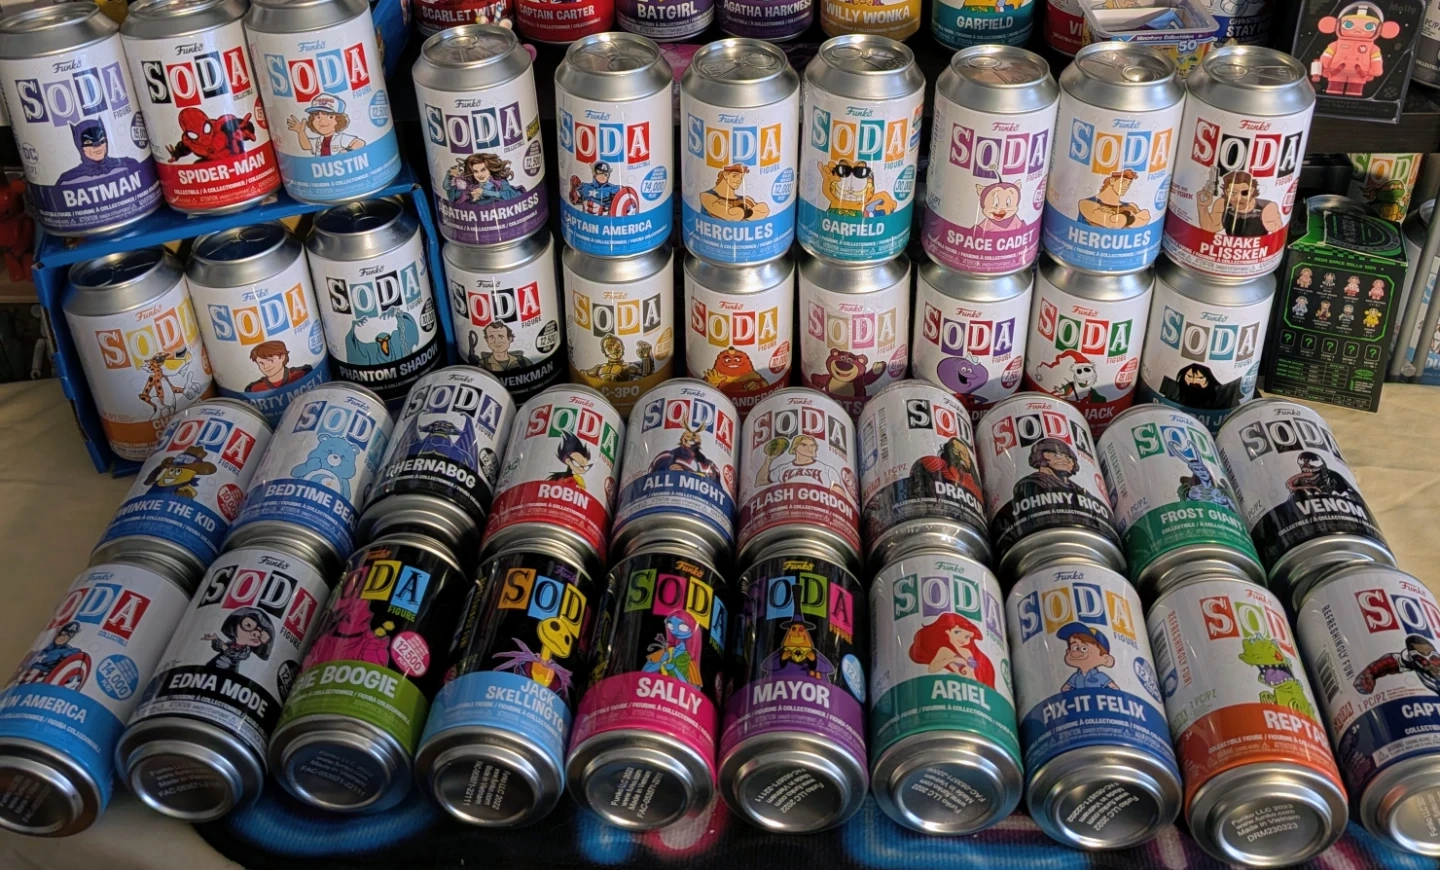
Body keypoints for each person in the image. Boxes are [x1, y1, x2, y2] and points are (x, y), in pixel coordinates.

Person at [908, 613, 995, 687]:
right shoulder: (944, 650)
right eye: (957, 632)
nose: (962, 638)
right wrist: (953, 659)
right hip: (954, 686)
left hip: (973, 688)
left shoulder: (967, 652)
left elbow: (972, 673)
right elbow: (931, 668)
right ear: (947, 632)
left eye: (967, 636)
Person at [1197, 170, 1283, 237]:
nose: (1238, 198)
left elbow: (1277, 231)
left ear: (1252, 191)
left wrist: (1272, 223)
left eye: (1244, 193)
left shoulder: (1266, 207)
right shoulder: (1223, 203)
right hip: (1227, 250)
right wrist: (1202, 206)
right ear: (1226, 192)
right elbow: (1210, 228)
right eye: (1233, 193)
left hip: (1256, 252)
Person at [57, 120, 143, 185]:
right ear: (79, 146)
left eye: (101, 139)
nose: (97, 146)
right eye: (88, 142)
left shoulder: (129, 164)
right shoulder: (68, 180)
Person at [286, 95, 365, 156]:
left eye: (330, 117)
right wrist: (301, 132)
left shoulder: (340, 138)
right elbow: (307, 146)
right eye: (318, 117)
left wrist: (346, 151)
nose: (322, 121)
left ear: (339, 120)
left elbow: (359, 142)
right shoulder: (319, 140)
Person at [1012, 438, 1084, 502]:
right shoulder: (1030, 484)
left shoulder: (1078, 489)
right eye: (1056, 455)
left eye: (1069, 458)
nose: (1064, 460)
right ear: (1040, 456)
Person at [1077, 170, 1149, 228]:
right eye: (1123, 182)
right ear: (1112, 181)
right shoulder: (1086, 203)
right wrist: (1131, 218)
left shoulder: (1131, 206)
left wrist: (1122, 219)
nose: (1126, 186)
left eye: (1129, 183)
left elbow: (1145, 217)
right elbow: (1113, 223)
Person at [1059, 623, 1117, 691]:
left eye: (1084, 648)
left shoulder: (1100, 676)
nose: (1076, 653)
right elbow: (1064, 689)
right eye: (1075, 648)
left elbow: (1115, 688)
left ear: (1106, 659)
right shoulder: (1076, 676)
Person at [700, 164, 769, 221]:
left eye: (741, 177)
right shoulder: (706, 196)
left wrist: (741, 213)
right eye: (735, 176)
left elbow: (764, 209)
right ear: (725, 175)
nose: (739, 180)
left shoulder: (746, 199)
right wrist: (750, 212)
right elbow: (732, 216)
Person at [245, 340, 312, 392]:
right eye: (261, 363)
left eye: (270, 360)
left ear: (282, 357)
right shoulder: (254, 388)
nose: (266, 367)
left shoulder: (302, 373)